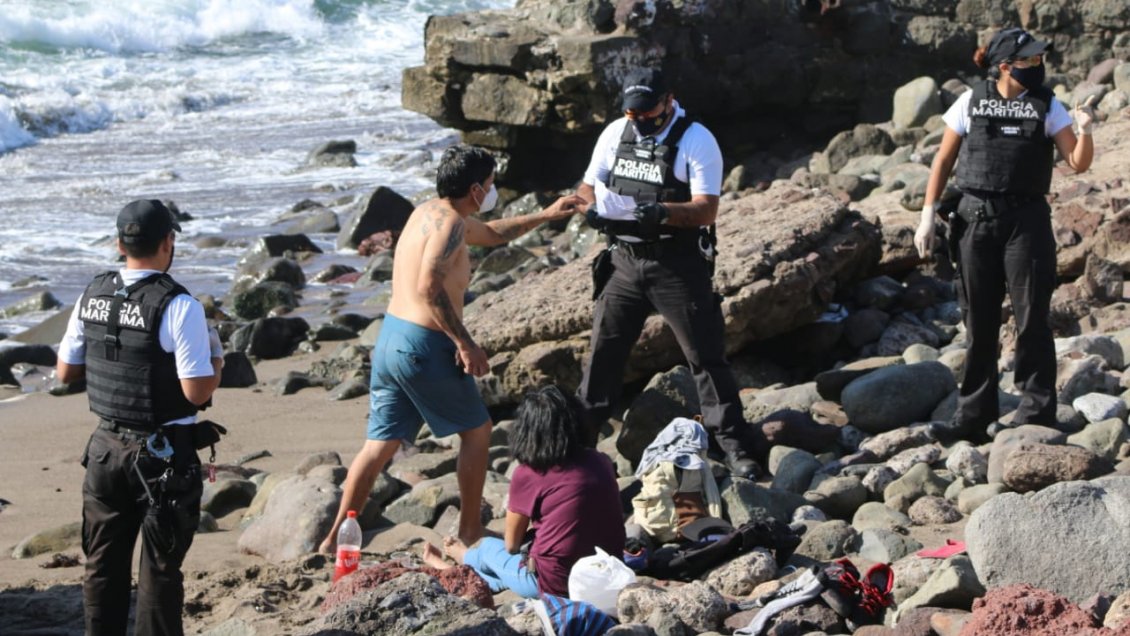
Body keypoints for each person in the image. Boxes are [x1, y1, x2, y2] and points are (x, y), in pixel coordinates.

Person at [319, 145, 585, 554]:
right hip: (423, 345)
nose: (494, 191)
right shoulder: (451, 228)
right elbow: (429, 288)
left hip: (389, 339)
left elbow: (494, 233)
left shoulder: (429, 212)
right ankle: (469, 530)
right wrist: (465, 343)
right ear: (477, 190)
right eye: (491, 185)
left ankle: (335, 539)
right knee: (478, 432)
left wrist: (548, 215)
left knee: (379, 445)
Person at [574, 66, 763, 479]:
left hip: (677, 264)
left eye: (646, 112)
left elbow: (706, 208)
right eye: (631, 114)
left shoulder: (696, 139)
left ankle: (733, 442)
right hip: (624, 262)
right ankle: (577, 447)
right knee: (603, 355)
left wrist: (663, 213)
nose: (638, 121)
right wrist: (590, 209)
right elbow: (588, 187)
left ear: (668, 101)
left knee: (705, 356)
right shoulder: (615, 134)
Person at [913, 28, 1095, 439]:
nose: (1037, 65)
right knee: (978, 320)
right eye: (1028, 60)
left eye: (1037, 59)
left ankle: (1036, 413)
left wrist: (1084, 128)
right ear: (1005, 65)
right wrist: (926, 214)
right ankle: (974, 416)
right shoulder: (971, 101)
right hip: (974, 221)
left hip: (1026, 224)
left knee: (1032, 317)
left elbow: (1078, 162)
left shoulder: (1048, 105)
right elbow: (943, 160)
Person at [56, 199, 223, 636]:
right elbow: (196, 391)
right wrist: (218, 358)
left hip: (105, 452)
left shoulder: (91, 293)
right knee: (160, 575)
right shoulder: (179, 305)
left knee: (102, 568)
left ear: (119, 243)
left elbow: (65, 372)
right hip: (162, 459)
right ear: (168, 242)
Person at [422, 385, 626, 598]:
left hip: (554, 584)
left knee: (487, 548)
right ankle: (456, 572)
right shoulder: (599, 460)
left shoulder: (529, 473)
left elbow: (511, 545)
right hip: (606, 575)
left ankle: (460, 561)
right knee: (507, 574)